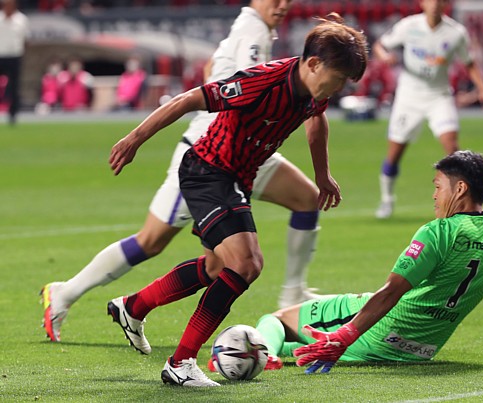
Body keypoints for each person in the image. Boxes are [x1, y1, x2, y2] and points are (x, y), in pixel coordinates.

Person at [41, 0, 333, 344]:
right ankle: (65, 293)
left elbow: (214, 68)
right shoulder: (253, 32)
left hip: (248, 153)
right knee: (152, 241)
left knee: (302, 202)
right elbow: (251, 85)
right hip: (210, 152)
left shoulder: (255, 31)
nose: (282, 5)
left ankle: (292, 293)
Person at [104, 13, 367, 387]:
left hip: (236, 178)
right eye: (338, 79)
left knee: (217, 267)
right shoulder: (262, 82)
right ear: (313, 64)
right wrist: (134, 140)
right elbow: (188, 99)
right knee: (246, 264)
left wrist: (322, 174)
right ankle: (181, 363)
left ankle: (134, 306)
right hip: (208, 171)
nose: (339, 88)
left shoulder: (313, 93)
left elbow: (316, 123)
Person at [250, 151, 483, 375]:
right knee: (303, 345)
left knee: (276, 318)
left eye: (438, 187)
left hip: (376, 329)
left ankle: (266, 355)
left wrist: (346, 335)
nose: (434, 195)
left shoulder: (439, 232)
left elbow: (390, 293)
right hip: (418, 349)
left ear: (461, 188)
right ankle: (270, 355)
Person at [373, 0, 483, 219]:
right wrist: (384, 56)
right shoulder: (409, 26)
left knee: (453, 150)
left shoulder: (456, 33)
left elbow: (469, 62)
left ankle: (459, 204)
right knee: (394, 154)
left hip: (439, 96)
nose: (435, 3)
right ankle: (386, 199)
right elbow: (380, 45)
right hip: (409, 97)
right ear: (422, 2)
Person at [0, 0, 29, 125]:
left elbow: (26, 39)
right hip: (0, 55)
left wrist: (22, 54)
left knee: (14, 86)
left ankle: (13, 114)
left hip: (14, 56)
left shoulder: (22, 20)